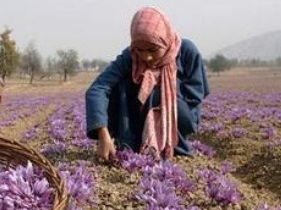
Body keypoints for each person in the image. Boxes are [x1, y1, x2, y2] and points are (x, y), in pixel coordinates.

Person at [86, 7, 210, 162]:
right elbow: (98, 88)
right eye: (140, 50)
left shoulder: (186, 51)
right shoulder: (130, 55)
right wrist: (102, 133)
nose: (147, 57)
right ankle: (129, 141)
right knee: (121, 84)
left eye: (153, 49)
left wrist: (162, 97)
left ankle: (169, 145)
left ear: (165, 40)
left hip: (179, 116)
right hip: (137, 118)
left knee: (158, 86)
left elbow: (195, 96)